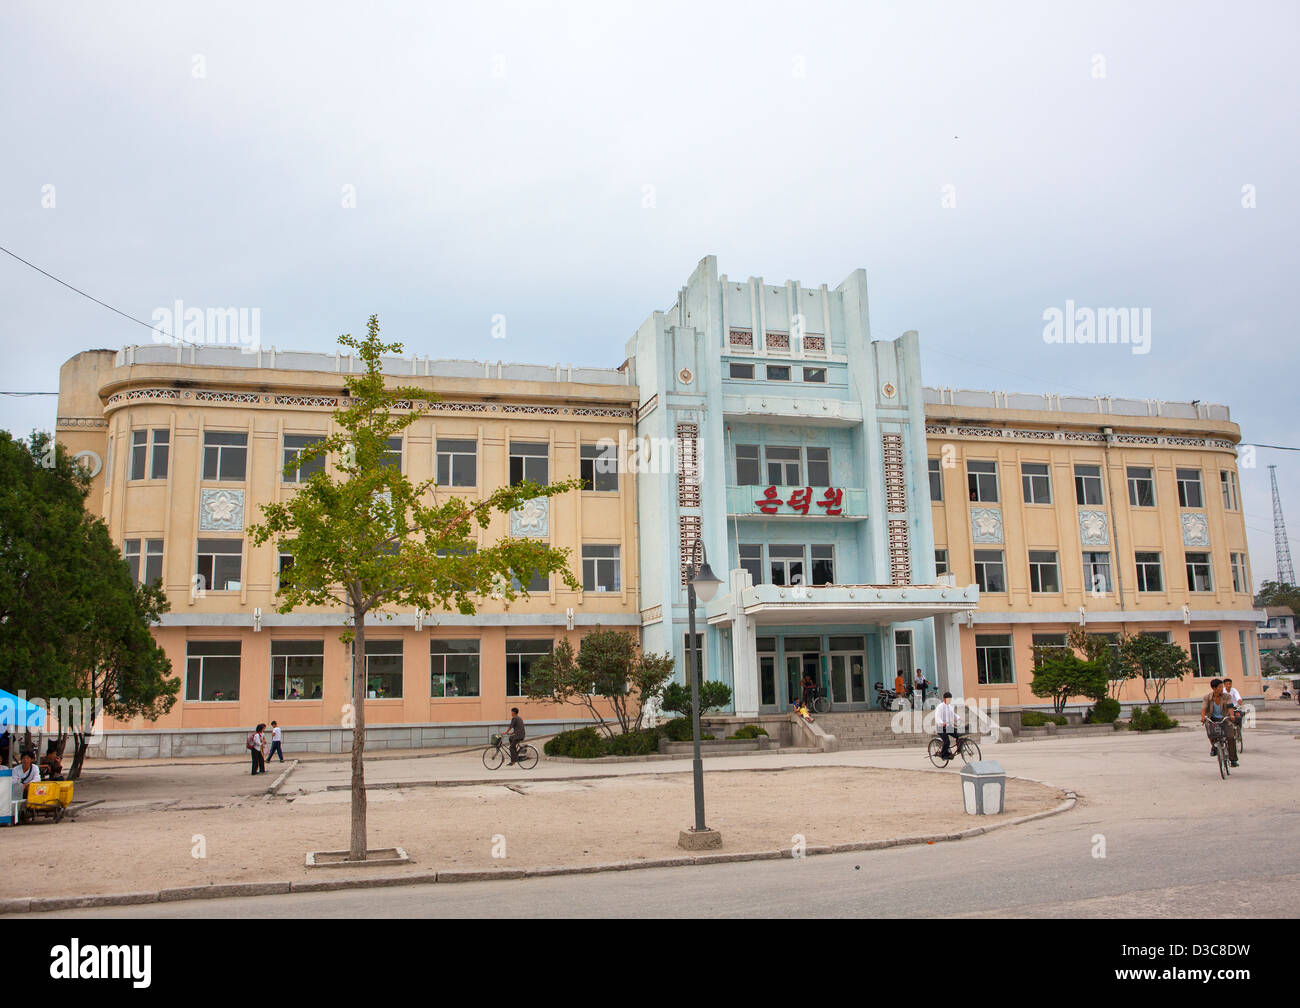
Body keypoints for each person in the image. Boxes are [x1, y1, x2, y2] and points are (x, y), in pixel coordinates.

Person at [1200, 678, 1238, 767]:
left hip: (1225, 718)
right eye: (1220, 687)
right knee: (1211, 733)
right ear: (1214, 688)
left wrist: (1232, 715)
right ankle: (1214, 747)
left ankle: (1233, 760)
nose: (1222, 689)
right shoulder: (1207, 697)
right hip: (1212, 719)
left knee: (1230, 737)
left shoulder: (1226, 696)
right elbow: (1204, 708)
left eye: (1222, 687)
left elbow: (1230, 705)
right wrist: (1203, 717)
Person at [935, 691, 958, 761]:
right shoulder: (940, 707)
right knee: (947, 741)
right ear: (944, 699)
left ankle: (959, 749)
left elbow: (954, 715)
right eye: (948, 699)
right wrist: (942, 723)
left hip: (948, 727)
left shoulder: (950, 707)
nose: (949, 701)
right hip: (940, 727)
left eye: (950, 699)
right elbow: (937, 717)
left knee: (958, 735)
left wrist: (959, 718)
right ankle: (943, 754)